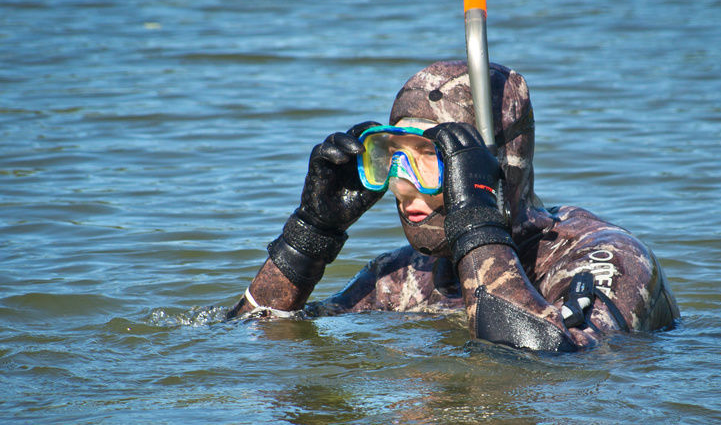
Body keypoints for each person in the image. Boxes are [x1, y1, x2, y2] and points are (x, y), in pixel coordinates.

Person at [227, 61, 679, 351]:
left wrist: (477, 225)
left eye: (432, 160)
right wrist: (308, 238)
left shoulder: (605, 258)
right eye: (390, 156)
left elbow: (550, 367)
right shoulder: (401, 277)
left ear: (491, 168)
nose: (403, 183)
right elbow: (251, 343)